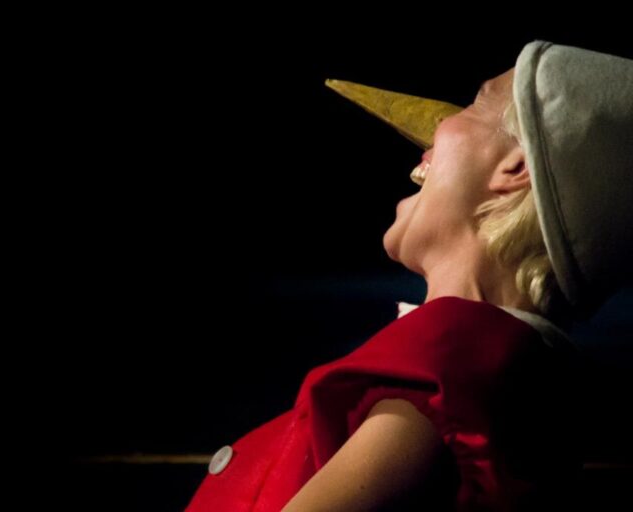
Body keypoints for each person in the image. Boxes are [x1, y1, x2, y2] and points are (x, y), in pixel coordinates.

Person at [185, 41, 633, 511]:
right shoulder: (507, 379)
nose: (433, 127)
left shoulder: (445, 384)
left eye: (476, 103)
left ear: (516, 167)